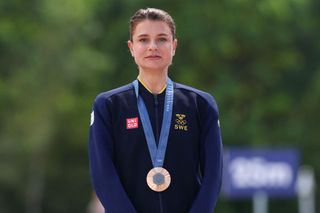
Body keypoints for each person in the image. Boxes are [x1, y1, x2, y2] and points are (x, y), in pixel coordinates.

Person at [89, 8, 223, 213]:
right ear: (131, 47)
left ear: (174, 46)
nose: (153, 47)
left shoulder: (200, 104)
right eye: (143, 40)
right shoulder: (109, 105)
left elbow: (213, 175)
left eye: (162, 39)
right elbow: (103, 174)